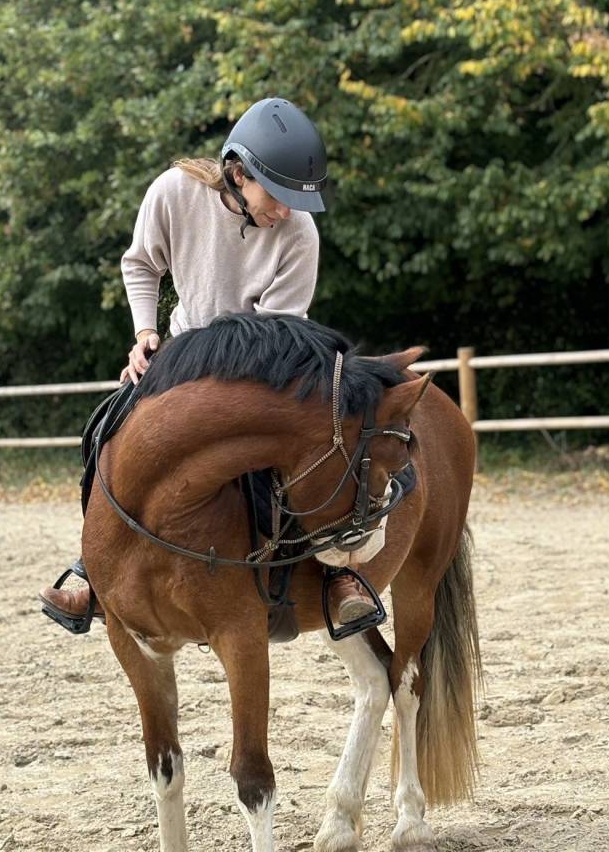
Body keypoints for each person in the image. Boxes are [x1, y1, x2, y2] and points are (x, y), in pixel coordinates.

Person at [40, 97, 374, 629]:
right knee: (106, 431)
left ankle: (335, 573)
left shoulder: (299, 233)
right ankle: (97, 571)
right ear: (238, 174)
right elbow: (140, 263)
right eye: (278, 196)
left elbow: (277, 329)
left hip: (264, 366)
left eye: (297, 200)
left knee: (301, 450)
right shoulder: (172, 192)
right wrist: (144, 333)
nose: (287, 211)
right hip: (182, 355)